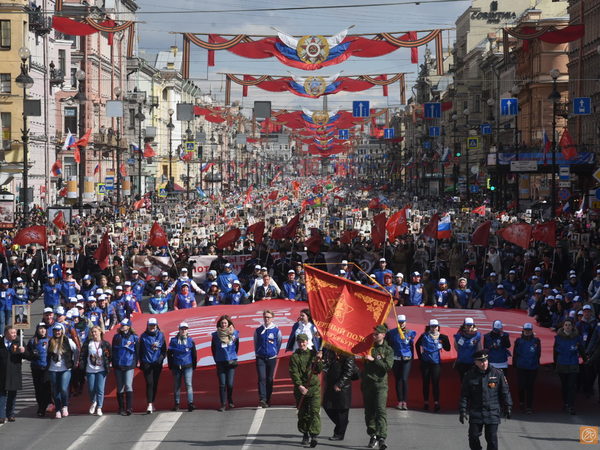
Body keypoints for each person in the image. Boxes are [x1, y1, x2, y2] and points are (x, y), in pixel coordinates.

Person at [459, 350, 512, 450]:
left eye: (486, 360)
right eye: (481, 361)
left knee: (491, 438)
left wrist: (508, 406)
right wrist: (462, 410)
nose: (484, 363)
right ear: (475, 362)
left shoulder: (497, 373)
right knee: (473, 437)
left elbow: (505, 391)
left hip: (492, 411)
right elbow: (464, 395)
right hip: (476, 411)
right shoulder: (469, 375)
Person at [361, 324, 394, 450]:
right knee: (369, 412)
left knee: (380, 411)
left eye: (377, 334)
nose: (374, 336)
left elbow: (388, 367)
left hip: (380, 384)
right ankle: (373, 434)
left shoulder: (388, 350)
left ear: (383, 335)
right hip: (368, 383)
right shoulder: (369, 347)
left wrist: (374, 359)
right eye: (374, 334)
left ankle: (382, 437)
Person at [289, 333, 323, 448]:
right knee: (303, 413)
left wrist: (318, 360)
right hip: (301, 389)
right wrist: (300, 386)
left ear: (307, 342)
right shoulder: (294, 357)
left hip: (313, 388)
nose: (302, 344)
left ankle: (314, 436)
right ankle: (305, 434)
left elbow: (318, 370)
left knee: (314, 412)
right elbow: (294, 373)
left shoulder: (313, 354)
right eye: (300, 342)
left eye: (304, 341)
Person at [416, 319, 451, 412]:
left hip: (436, 363)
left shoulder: (442, 337)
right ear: (429, 327)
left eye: (436, 326)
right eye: (432, 326)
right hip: (425, 363)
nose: (434, 328)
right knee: (426, 382)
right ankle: (426, 402)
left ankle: (436, 403)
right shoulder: (424, 336)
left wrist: (444, 342)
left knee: (435, 383)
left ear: (438, 327)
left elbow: (448, 349)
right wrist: (420, 357)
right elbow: (416, 345)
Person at [321, 346, 355, 441]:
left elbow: (349, 371)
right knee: (327, 406)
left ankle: (339, 434)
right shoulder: (329, 351)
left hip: (343, 387)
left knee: (342, 410)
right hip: (331, 384)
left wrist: (340, 384)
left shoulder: (347, 353)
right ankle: (342, 424)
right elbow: (326, 366)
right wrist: (321, 361)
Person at [553, 318, 585, 414]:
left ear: (572, 326)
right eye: (566, 325)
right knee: (564, 386)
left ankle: (571, 405)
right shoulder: (558, 337)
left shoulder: (577, 337)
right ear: (563, 326)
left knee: (571, 386)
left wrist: (586, 360)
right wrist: (555, 364)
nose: (567, 327)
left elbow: (581, 350)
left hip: (573, 364)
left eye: (569, 325)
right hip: (562, 364)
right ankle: (565, 403)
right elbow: (555, 352)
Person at [47, 323, 78, 419]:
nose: (57, 332)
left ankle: (65, 406)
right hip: (53, 369)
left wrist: (75, 362)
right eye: (55, 330)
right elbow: (46, 354)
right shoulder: (50, 341)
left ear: (62, 331)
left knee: (63, 388)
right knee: (55, 391)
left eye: (59, 330)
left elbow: (76, 350)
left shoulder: (68, 341)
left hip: (65, 368)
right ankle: (57, 409)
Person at [386, 314, 416, 410]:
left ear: (405, 322)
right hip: (396, 359)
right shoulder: (392, 333)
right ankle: (399, 401)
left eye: (403, 322)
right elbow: (389, 346)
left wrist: (412, 357)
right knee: (398, 380)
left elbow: (412, 346)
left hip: (407, 359)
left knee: (404, 379)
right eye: (400, 322)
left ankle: (405, 402)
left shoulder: (410, 333)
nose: (401, 323)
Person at [253, 309, 282, 407]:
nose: (266, 319)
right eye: (265, 317)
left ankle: (268, 399)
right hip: (260, 357)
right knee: (262, 378)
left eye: (268, 317)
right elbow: (256, 342)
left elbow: (279, 342)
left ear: (272, 318)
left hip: (271, 357)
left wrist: (274, 352)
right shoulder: (258, 330)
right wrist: (258, 352)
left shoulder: (276, 330)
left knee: (269, 379)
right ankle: (262, 398)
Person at [80, 325, 111, 416]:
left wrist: (107, 363)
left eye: (95, 332)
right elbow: (83, 355)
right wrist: (82, 365)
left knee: (100, 389)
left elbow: (110, 354)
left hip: (101, 369)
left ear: (100, 332)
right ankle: (94, 402)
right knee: (91, 388)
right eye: (92, 332)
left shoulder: (105, 343)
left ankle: (99, 407)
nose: (94, 334)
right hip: (90, 369)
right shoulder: (88, 343)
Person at [211, 315, 239, 411]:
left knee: (230, 384)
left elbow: (237, 346)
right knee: (222, 384)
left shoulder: (234, 334)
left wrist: (233, 356)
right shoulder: (215, 335)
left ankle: (230, 400)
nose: (223, 325)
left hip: (231, 361)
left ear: (229, 324)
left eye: (225, 323)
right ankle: (223, 404)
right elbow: (213, 348)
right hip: (220, 361)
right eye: (222, 323)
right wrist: (217, 358)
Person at [111, 318, 139, 415]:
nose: (122, 327)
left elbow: (137, 351)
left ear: (129, 326)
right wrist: (114, 362)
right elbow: (113, 351)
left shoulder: (134, 337)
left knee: (128, 385)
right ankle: (121, 407)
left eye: (124, 325)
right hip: (118, 364)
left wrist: (136, 362)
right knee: (120, 387)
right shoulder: (117, 337)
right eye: (121, 325)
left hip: (129, 363)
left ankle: (129, 407)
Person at [139, 318, 166, 414]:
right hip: (147, 363)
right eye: (150, 325)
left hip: (157, 363)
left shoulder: (161, 335)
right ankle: (149, 404)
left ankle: (152, 401)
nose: (152, 327)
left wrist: (160, 359)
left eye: (153, 325)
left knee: (155, 383)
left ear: (156, 325)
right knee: (149, 383)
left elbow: (164, 350)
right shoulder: (143, 336)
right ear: (147, 325)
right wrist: (141, 362)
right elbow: (140, 350)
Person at [167, 322, 197, 412]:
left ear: (187, 330)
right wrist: (171, 365)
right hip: (177, 366)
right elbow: (169, 354)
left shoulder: (190, 340)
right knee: (177, 385)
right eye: (182, 329)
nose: (183, 331)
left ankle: (190, 403)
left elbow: (194, 354)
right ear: (179, 330)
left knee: (188, 384)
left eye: (185, 329)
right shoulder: (173, 341)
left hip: (188, 365)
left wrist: (194, 365)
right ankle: (176, 403)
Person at [512, 322, 541, 414]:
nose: (527, 332)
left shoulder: (536, 341)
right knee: (521, 386)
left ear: (532, 331)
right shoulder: (518, 341)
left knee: (530, 387)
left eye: (529, 330)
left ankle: (529, 406)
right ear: (523, 330)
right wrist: (514, 364)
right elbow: (515, 353)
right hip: (521, 366)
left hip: (532, 367)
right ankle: (521, 402)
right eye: (526, 330)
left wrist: (536, 363)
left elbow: (538, 353)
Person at [0, 326, 26, 423]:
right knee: (1, 395)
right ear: (6, 333)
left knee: (12, 395)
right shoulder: (0, 342)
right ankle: (1, 416)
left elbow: (27, 355)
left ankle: (10, 414)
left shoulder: (19, 342)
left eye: (15, 332)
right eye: (12, 333)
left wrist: (24, 351)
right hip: (2, 373)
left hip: (14, 372)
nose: (14, 334)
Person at [26, 322, 51, 417]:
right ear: (37, 330)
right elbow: (27, 355)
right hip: (36, 368)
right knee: (38, 389)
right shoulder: (32, 341)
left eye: (44, 328)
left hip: (47, 368)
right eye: (40, 328)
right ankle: (41, 407)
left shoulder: (50, 340)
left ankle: (45, 405)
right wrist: (32, 355)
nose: (43, 330)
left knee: (46, 387)